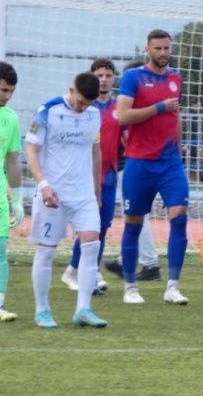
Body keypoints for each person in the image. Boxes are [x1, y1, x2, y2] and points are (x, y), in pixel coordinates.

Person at [26, 72, 107, 328]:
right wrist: (43, 185)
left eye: (88, 104)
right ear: (71, 90)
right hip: (53, 195)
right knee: (47, 250)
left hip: (83, 195)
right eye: (80, 102)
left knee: (91, 245)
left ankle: (83, 309)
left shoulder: (94, 114)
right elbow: (31, 150)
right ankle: (42, 311)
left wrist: (96, 189)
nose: (83, 108)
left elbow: (95, 151)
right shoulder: (47, 111)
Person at [117, 29, 189, 304]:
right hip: (139, 163)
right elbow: (124, 115)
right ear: (148, 50)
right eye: (158, 48)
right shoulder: (133, 77)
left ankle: (172, 287)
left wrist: (179, 148)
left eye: (166, 48)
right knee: (133, 224)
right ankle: (130, 287)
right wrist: (159, 107)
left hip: (170, 163)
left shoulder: (176, 79)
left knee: (180, 217)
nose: (163, 53)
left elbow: (175, 115)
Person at [60, 58, 121, 295]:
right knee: (87, 228)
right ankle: (78, 272)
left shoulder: (119, 108)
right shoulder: (83, 107)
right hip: (83, 177)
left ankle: (87, 273)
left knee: (102, 228)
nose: (103, 80)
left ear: (113, 79)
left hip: (109, 177)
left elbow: (127, 138)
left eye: (108, 75)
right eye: (99, 76)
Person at [103, 59, 161, 283]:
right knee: (135, 214)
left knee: (136, 214)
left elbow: (128, 137)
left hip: (127, 166)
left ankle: (150, 264)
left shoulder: (129, 107)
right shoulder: (137, 104)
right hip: (132, 165)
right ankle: (125, 260)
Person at [0, 62, 23, 322]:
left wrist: (17, 198)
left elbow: (12, 161)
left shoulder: (11, 118)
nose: (7, 96)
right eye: (3, 90)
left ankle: (0, 305)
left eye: (11, 92)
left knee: (1, 249)